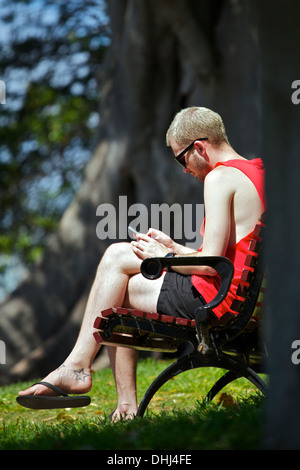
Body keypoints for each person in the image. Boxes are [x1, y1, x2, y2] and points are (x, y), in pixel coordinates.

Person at [18, 107, 265, 420]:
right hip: (247, 302)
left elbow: (209, 267)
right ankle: (91, 379)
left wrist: (161, 258)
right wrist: (173, 248)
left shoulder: (219, 177)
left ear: (199, 147)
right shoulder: (257, 173)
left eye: (181, 159)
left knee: (118, 259)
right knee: (120, 271)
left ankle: (87, 374)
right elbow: (226, 255)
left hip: (217, 303)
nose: (185, 170)